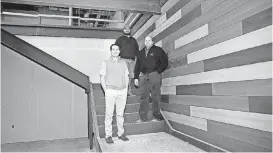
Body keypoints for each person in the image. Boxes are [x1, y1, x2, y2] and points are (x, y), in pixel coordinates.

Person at [99, 44, 130, 144]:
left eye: (117, 49)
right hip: (111, 91)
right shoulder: (105, 62)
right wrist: (106, 91)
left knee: (120, 114)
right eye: (113, 49)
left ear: (119, 51)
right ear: (111, 51)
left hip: (122, 91)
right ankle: (108, 135)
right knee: (109, 114)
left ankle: (121, 134)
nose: (115, 51)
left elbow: (126, 76)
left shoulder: (123, 63)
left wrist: (126, 88)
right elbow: (102, 78)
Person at [134, 35, 168, 122]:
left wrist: (158, 71)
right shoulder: (141, 53)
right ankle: (142, 118)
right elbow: (137, 66)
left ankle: (156, 117)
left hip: (155, 75)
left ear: (153, 42)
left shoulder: (158, 50)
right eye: (146, 41)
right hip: (144, 76)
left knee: (155, 96)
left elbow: (165, 62)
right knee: (144, 97)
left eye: (149, 40)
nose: (147, 42)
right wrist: (136, 77)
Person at [115, 25, 139, 96]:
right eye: (125, 29)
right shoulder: (119, 39)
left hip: (132, 61)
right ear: (123, 30)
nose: (127, 30)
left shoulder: (133, 40)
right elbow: (116, 49)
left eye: (128, 29)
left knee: (130, 76)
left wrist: (137, 60)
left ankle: (129, 91)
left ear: (130, 30)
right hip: (123, 59)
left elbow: (137, 50)